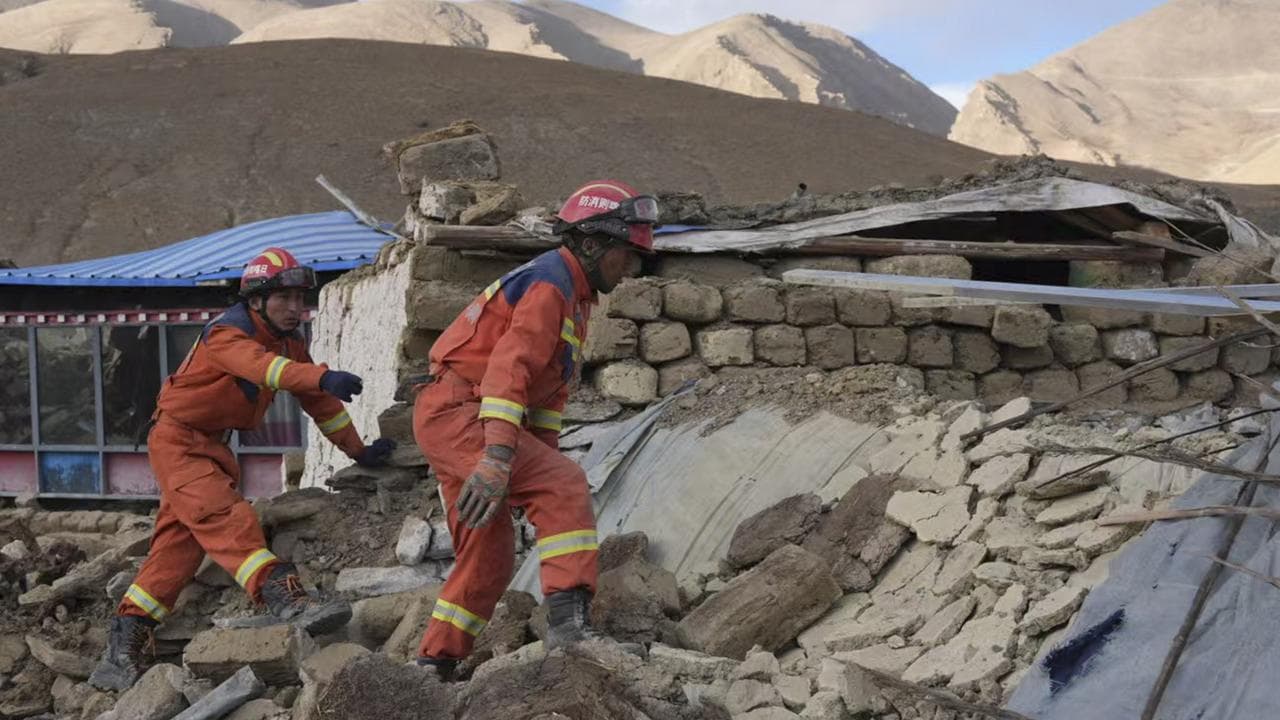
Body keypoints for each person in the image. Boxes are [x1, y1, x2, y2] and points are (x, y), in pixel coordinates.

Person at [89, 247, 394, 691]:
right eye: (284, 298)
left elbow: (321, 404)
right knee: (226, 517)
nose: (295, 308)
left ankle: (121, 652)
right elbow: (266, 369)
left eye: (300, 298)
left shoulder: (288, 343)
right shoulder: (227, 335)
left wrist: (358, 451)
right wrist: (320, 375)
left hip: (211, 446)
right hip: (178, 442)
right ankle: (285, 598)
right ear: (256, 300)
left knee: (177, 549)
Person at [411, 180, 658, 677]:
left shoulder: (573, 295)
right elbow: (509, 372)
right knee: (564, 484)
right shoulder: (551, 286)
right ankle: (570, 631)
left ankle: (434, 663)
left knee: (490, 556)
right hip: (462, 413)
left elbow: (546, 395)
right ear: (591, 243)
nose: (631, 267)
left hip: (458, 414)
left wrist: (534, 457)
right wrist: (500, 458)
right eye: (626, 253)